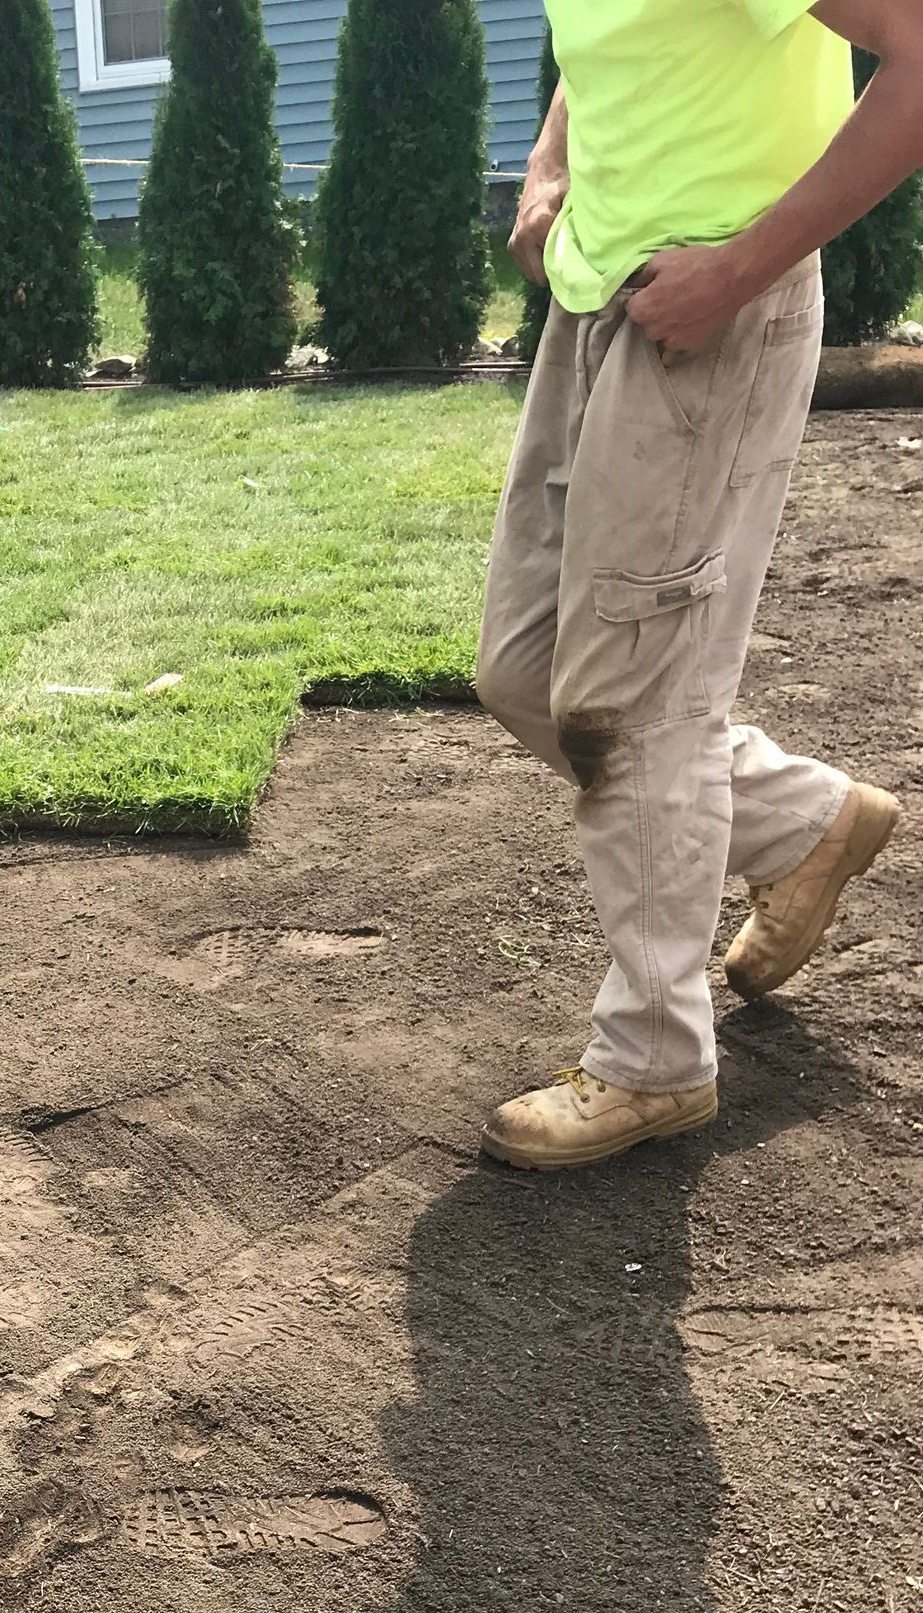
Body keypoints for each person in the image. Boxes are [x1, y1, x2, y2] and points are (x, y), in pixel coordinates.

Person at [475, 0, 922, 1170]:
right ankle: (803, 820)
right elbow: (612, 53)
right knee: (525, 673)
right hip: (603, 302)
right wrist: (550, 161)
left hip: (715, 312)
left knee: (638, 708)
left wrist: (736, 270)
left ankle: (655, 1061)